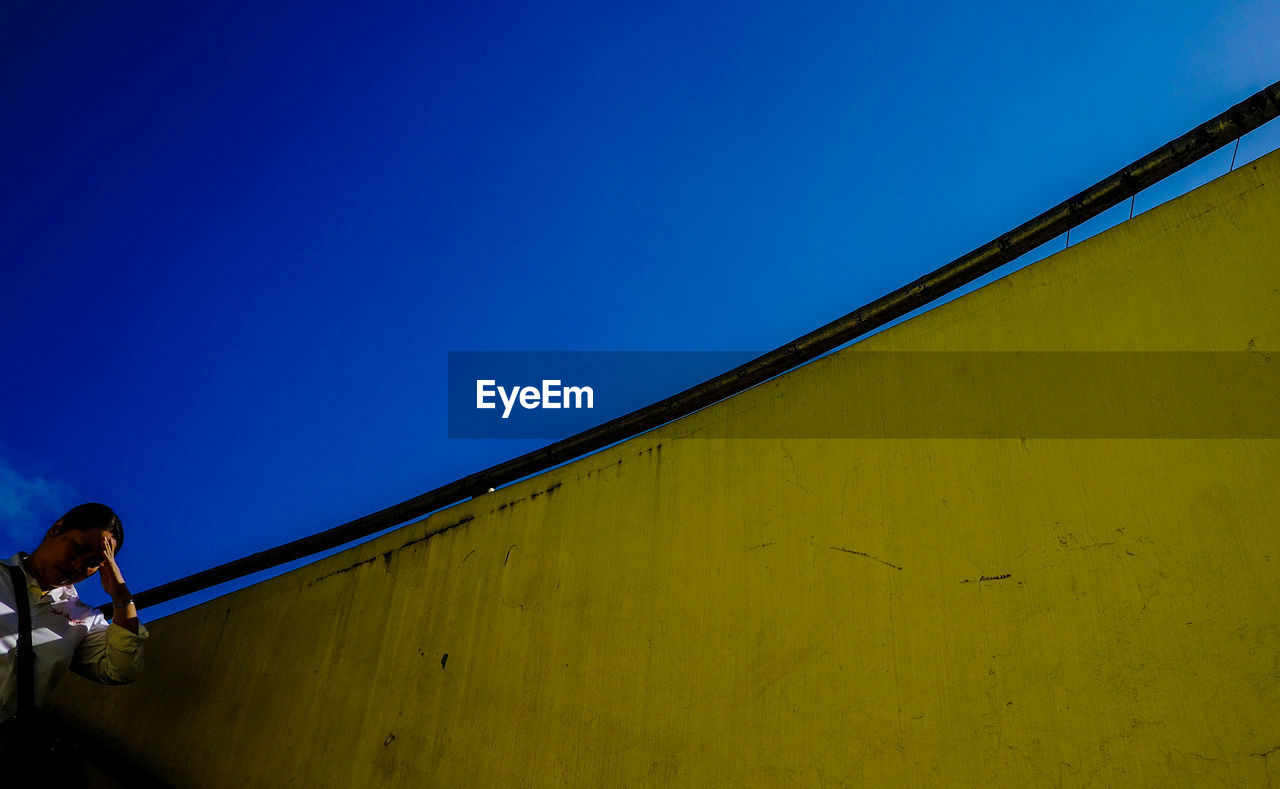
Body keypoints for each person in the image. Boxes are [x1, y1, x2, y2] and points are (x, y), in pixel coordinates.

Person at [1, 502, 148, 727]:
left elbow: (121, 669)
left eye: (93, 562)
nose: (78, 565)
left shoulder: (84, 619)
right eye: (79, 547)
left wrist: (121, 595)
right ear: (56, 529)